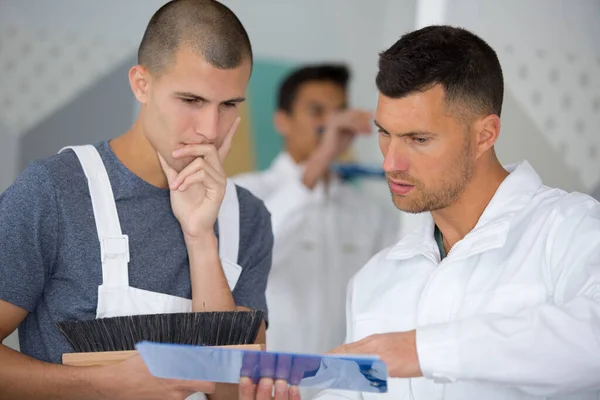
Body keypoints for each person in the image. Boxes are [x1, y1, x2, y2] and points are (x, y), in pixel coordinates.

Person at [238, 25, 600, 400]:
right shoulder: (375, 278)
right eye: (385, 133)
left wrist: (421, 351)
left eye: (418, 139)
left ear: (485, 134)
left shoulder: (570, 229)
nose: (391, 163)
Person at [0, 1, 273, 399]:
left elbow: (234, 392)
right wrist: (102, 385)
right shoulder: (54, 191)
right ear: (141, 84)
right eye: (191, 101)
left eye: (229, 105)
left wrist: (201, 240)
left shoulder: (246, 217)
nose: (210, 130)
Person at [232, 65, 400, 357]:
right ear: (282, 121)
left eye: (338, 112)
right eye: (317, 112)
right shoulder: (245, 192)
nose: (330, 124)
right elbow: (253, 252)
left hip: (340, 384)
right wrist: (321, 159)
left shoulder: (369, 211)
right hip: (267, 381)